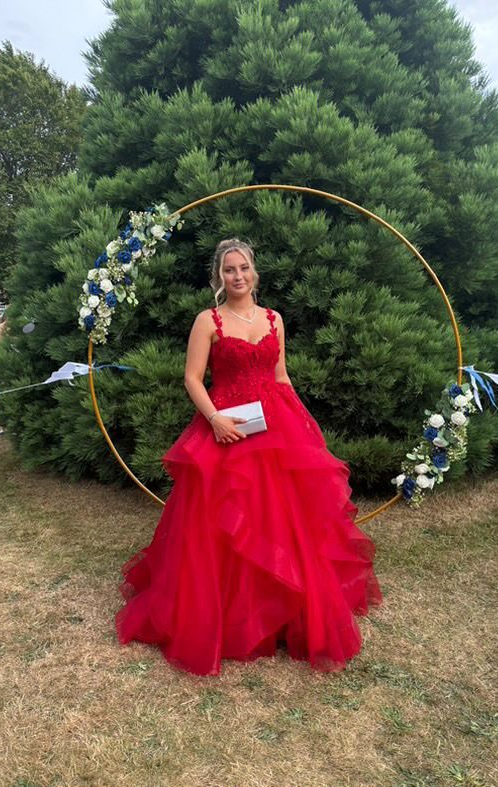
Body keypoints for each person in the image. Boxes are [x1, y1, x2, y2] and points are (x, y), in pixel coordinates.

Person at [115, 240, 382, 675]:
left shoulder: (274, 319)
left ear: (254, 272)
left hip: (275, 428)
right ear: (218, 276)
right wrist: (216, 419)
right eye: (228, 270)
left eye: (243, 269)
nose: (237, 276)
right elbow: (192, 378)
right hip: (226, 429)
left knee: (282, 520)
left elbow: (280, 376)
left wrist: (303, 427)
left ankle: (282, 613)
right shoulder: (209, 320)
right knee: (224, 520)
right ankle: (229, 617)